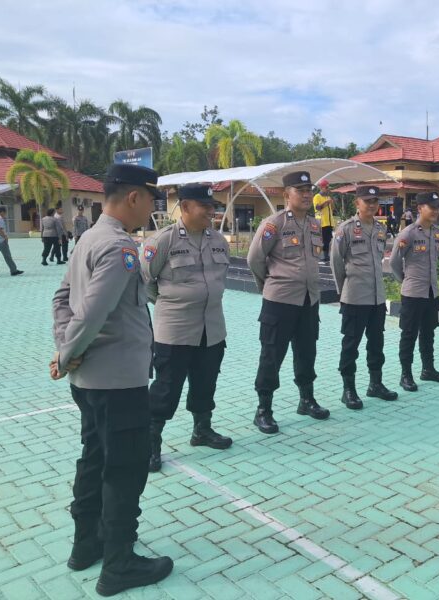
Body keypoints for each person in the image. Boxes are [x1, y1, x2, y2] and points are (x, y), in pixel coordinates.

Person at [50, 164, 173, 596]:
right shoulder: (119, 248)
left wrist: (66, 348)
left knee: (95, 459)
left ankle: (87, 546)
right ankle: (119, 565)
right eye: (152, 200)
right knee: (124, 468)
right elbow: (93, 312)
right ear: (134, 197)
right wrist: (67, 353)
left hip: (90, 380)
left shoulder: (88, 237)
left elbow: (62, 299)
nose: (153, 209)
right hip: (118, 382)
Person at [142, 184, 233, 472]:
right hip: (175, 330)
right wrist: (173, 305)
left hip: (212, 327)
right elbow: (145, 282)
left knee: (206, 382)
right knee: (167, 388)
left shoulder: (219, 240)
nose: (211, 211)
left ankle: (202, 430)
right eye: (204, 206)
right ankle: (150, 443)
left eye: (213, 206)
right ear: (184, 207)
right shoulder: (163, 241)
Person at [247, 171, 330, 434]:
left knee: (307, 353)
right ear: (286, 195)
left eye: (309, 190)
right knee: (272, 355)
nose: (306, 195)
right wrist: (269, 285)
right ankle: (263, 410)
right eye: (300, 190)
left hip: (309, 300)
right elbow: (254, 259)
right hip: (280, 302)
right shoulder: (274, 224)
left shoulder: (315, 224)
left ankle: (306, 400)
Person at [331, 185, 399, 409]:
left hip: (377, 297)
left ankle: (375, 384)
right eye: (366, 201)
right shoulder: (346, 229)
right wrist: (345, 290)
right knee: (351, 344)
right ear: (357, 203)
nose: (371, 205)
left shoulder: (380, 229)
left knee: (376, 342)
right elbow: (336, 262)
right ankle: (348, 389)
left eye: (374, 201)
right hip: (355, 297)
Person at [390, 192, 439, 391]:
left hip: (431, 291)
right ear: (419, 208)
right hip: (413, 293)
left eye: (437, 207)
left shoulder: (437, 232)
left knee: (428, 332)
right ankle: (405, 374)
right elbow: (394, 262)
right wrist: (406, 281)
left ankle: (428, 369)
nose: (435, 210)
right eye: (431, 207)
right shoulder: (408, 233)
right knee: (409, 334)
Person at [0, 206, 23, 278]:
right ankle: (13, 270)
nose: (5, 214)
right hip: (0, 240)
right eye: (5, 213)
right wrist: (5, 237)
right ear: (2, 212)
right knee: (7, 256)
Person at [313, 179, 335, 263]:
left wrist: (332, 203)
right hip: (321, 222)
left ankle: (326, 256)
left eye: (328, 187)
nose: (328, 189)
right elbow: (317, 208)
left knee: (328, 240)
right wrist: (326, 202)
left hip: (329, 222)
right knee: (321, 241)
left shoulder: (328, 197)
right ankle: (320, 256)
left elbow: (333, 209)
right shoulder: (317, 197)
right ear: (321, 187)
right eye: (326, 187)